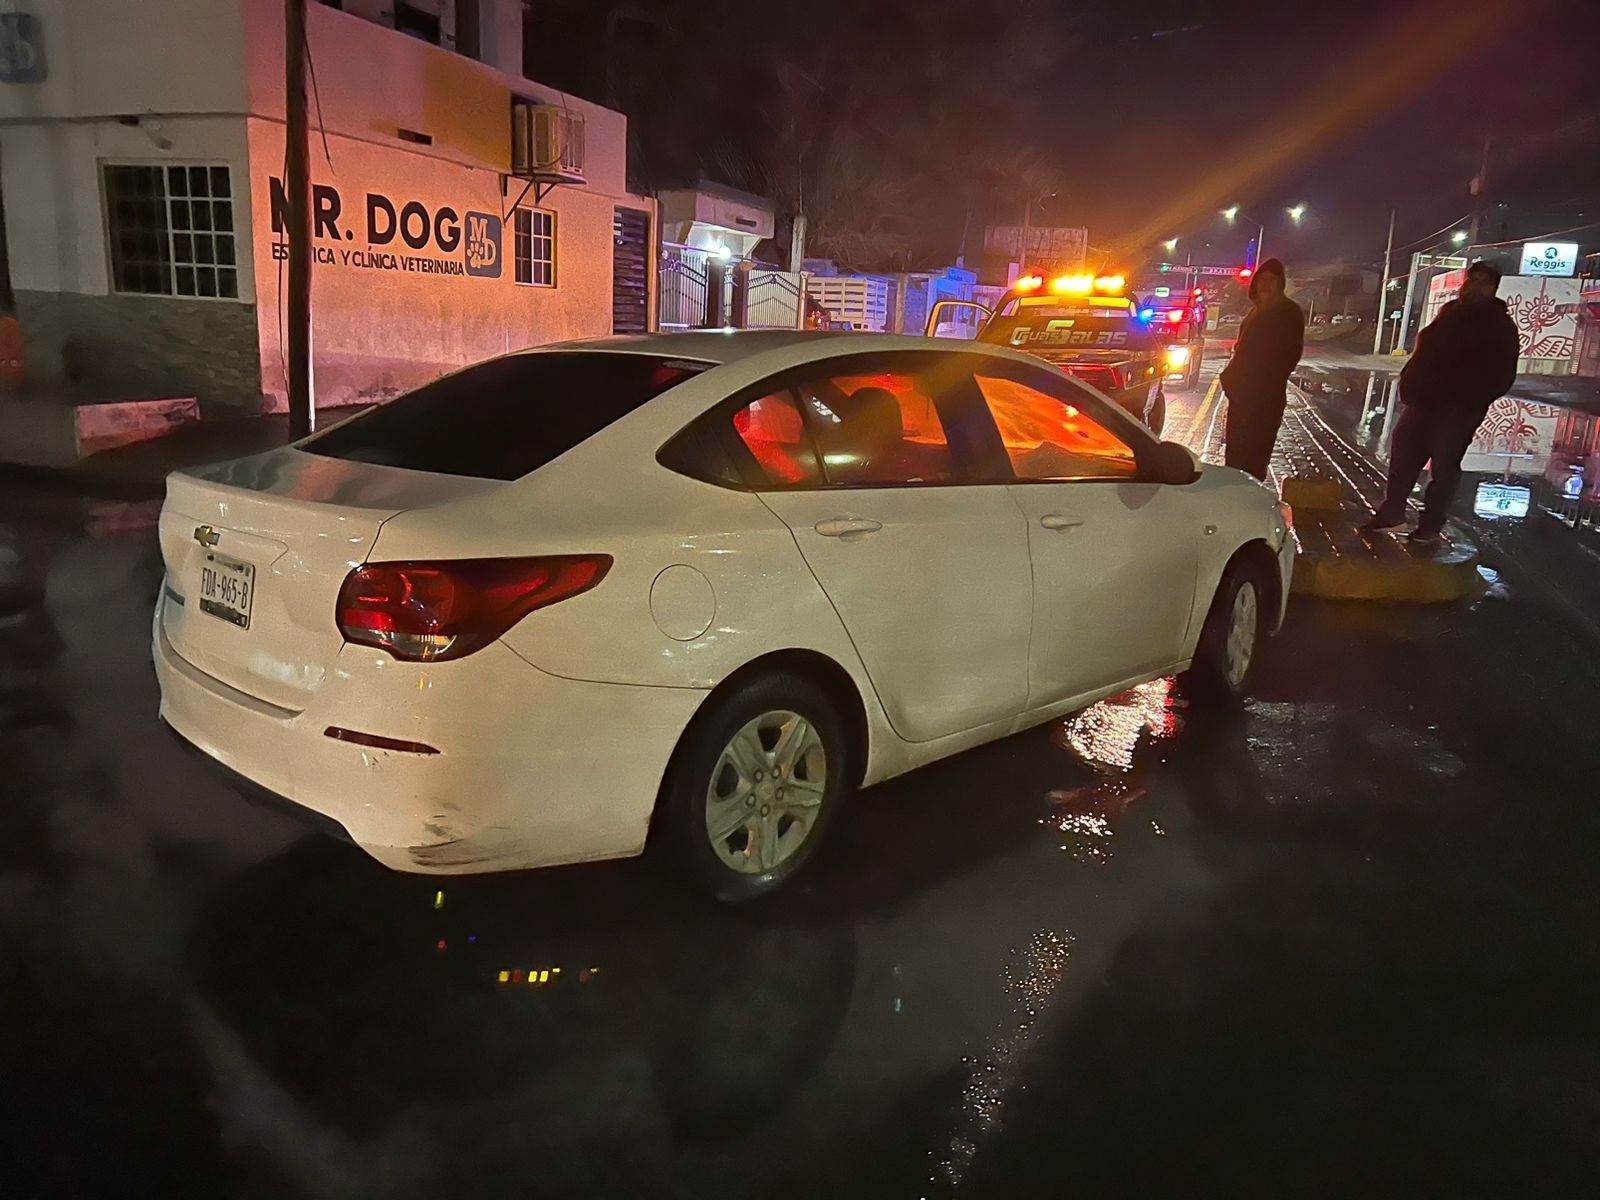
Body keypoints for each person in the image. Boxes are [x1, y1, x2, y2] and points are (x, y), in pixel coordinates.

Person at [1363, 260, 1520, 542]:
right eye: (1470, 280)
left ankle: (1430, 525)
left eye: (1481, 282)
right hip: (1423, 401)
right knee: (1403, 453)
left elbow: (1502, 374)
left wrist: (1468, 400)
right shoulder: (1450, 312)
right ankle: (1392, 511)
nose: (1472, 287)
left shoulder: (1498, 324)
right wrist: (1410, 382)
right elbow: (1425, 350)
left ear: (1493, 288)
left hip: (1457, 410)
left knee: (1444, 466)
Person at [1219, 258, 1305, 480]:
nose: (1265, 285)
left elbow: (1288, 358)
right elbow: (1242, 350)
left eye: (1271, 280)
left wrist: (1257, 389)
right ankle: (1235, 506)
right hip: (1241, 400)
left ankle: (1250, 508)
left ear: (1280, 284)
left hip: (1264, 403)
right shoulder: (1255, 313)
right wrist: (1231, 381)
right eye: (1262, 280)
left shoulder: (1289, 313)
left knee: (1254, 461)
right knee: (1235, 460)